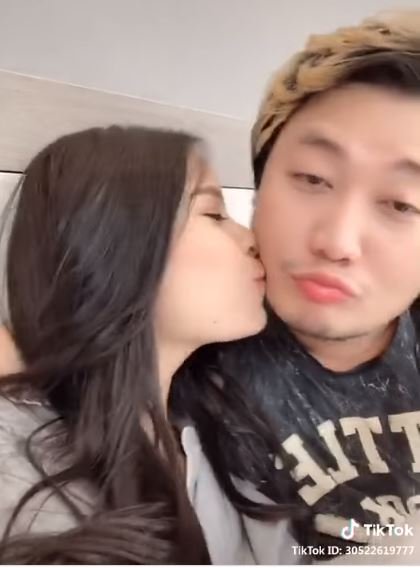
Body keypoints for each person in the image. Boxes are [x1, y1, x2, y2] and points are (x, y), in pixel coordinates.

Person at [171, 8, 420, 561]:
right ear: (259, 187)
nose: (337, 241)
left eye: (403, 204)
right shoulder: (182, 359)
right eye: (312, 178)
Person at [0, 125, 296, 564]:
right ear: (118, 247)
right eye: (214, 214)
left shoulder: (214, 425)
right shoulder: (20, 465)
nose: (251, 241)